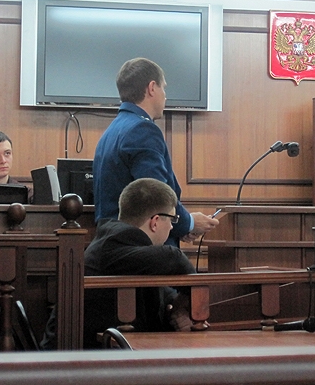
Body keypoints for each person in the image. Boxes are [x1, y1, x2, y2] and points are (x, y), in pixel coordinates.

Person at [93, 57, 218, 247]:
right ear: (152, 88)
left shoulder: (112, 130)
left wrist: (178, 227)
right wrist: (190, 223)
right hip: (142, 250)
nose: (165, 96)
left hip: (114, 244)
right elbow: (155, 197)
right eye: (163, 88)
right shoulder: (142, 130)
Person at [83, 178, 195, 348]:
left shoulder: (122, 243)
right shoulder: (114, 244)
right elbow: (175, 258)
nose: (172, 227)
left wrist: (175, 309)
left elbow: (161, 292)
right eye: (172, 220)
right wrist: (183, 305)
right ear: (155, 222)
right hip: (81, 358)